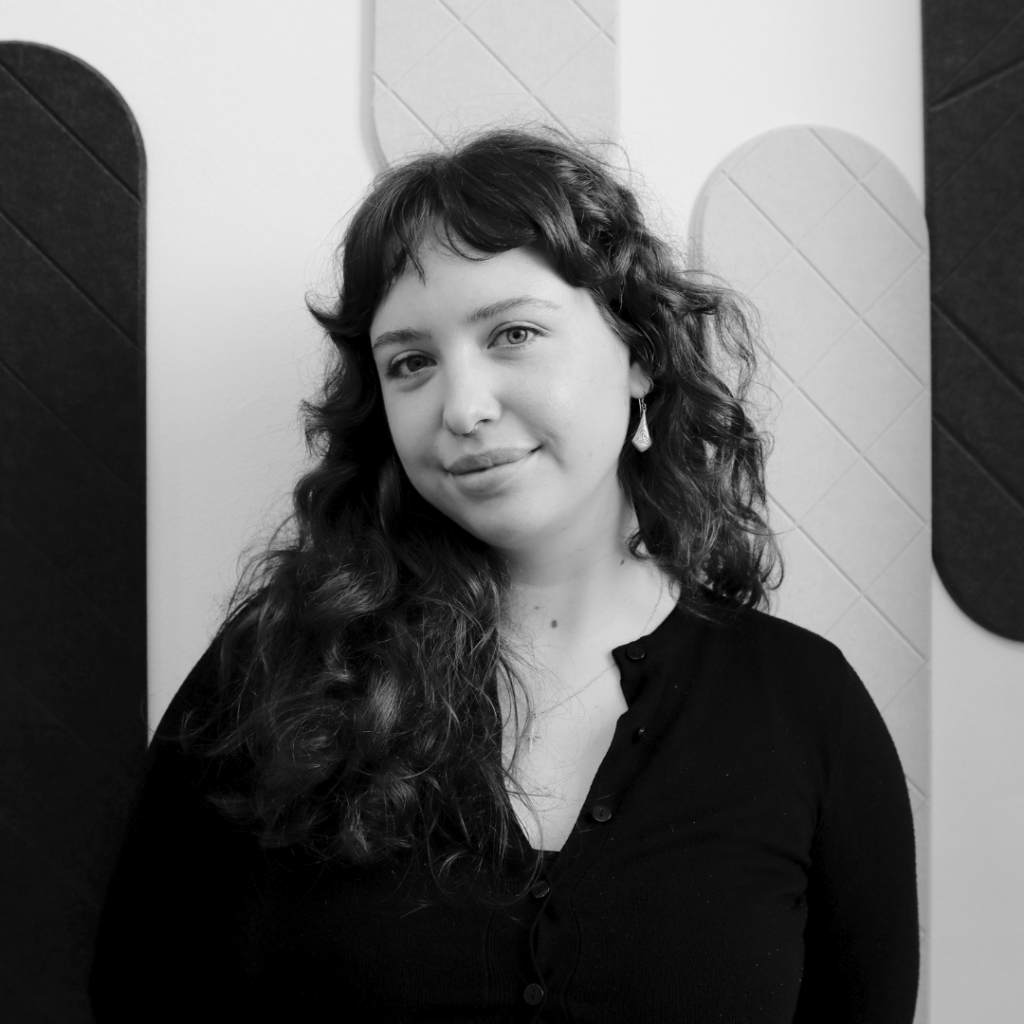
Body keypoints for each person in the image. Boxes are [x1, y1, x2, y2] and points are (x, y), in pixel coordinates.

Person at [90, 127, 919, 1023]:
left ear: (639, 352)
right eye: (411, 362)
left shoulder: (805, 704)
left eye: (514, 333)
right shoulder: (275, 672)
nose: (464, 407)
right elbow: (141, 993)